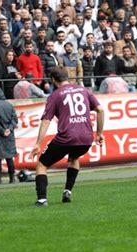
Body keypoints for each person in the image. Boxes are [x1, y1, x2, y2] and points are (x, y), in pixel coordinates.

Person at [30, 67, 105, 207]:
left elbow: (46, 120)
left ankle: (42, 200)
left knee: (42, 165)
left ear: (53, 80)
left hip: (66, 137)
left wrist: (38, 143)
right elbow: (100, 110)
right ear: (67, 77)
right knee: (74, 158)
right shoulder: (84, 90)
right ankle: (67, 191)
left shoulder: (55, 95)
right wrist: (99, 133)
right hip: (86, 138)